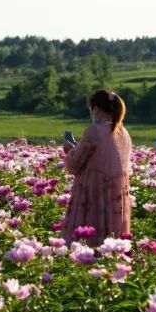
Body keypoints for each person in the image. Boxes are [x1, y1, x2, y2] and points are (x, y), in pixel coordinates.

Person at [61, 89, 132, 248]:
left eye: (91, 109)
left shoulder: (93, 131)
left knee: (88, 235)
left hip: (93, 191)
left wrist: (70, 151)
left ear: (97, 109)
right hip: (116, 196)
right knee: (111, 236)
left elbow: (74, 164)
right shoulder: (124, 133)